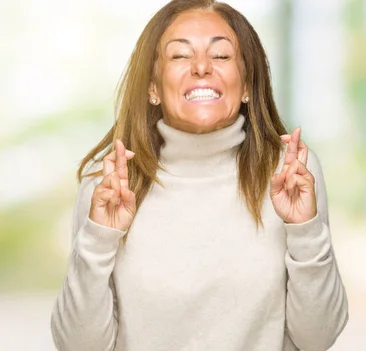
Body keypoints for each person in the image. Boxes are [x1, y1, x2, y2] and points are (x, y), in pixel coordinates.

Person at [50, 0, 348, 350]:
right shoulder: (111, 184)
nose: (202, 67)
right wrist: (98, 239)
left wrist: (306, 231)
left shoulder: (290, 173)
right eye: (179, 56)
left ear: (249, 83)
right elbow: (78, 346)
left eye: (221, 56)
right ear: (153, 88)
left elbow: (317, 339)